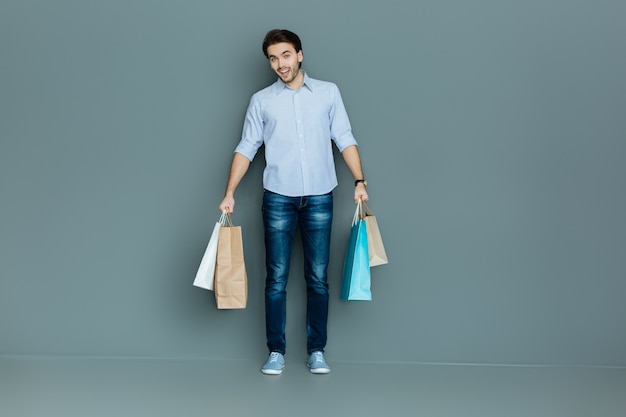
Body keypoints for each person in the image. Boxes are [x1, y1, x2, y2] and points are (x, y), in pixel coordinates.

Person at [218, 29, 369, 375]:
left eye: (285, 55)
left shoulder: (328, 93)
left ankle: (317, 350)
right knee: (276, 278)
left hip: (320, 196)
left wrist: (360, 181)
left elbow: (344, 137)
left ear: (299, 55)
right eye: (273, 58)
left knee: (317, 278)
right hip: (277, 199)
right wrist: (230, 192)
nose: (280, 64)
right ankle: (276, 351)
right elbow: (247, 147)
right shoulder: (261, 101)